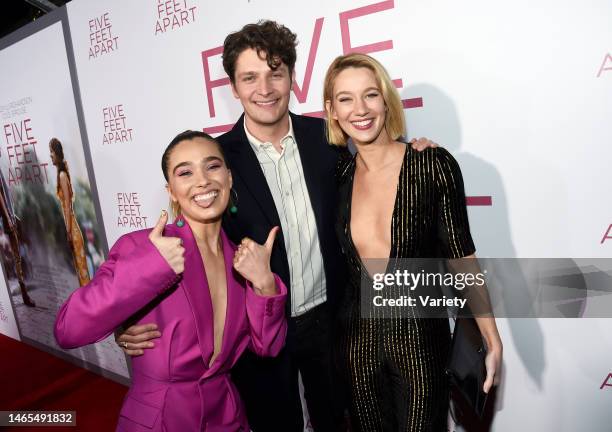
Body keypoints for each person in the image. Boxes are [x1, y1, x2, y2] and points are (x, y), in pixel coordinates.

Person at [116, 21, 436, 432]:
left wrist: (418, 153)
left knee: (338, 421)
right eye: (250, 77)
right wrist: (132, 319)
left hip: (334, 322)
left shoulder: (328, 139)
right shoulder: (217, 161)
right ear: (233, 87)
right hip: (257, 333)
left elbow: (376, 164)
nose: (264, 88)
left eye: (276, 73)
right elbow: (188, 247)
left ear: (291, 79)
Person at [54, 131, 288, 431]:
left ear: (229, 178)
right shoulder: (142, 248)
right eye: (185, 172)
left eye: (212, 166)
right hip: (161, 420)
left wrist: (265, 285)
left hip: (227, 418)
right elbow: (68, 330)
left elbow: (268, 347)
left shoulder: (243, 260)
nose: (202, 180)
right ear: (172, 191)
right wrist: (150, 269)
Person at [323, 53, 503, 431]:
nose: (360, 109)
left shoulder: (432, 164)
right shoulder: (338, 173)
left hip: (420, 343)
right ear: (332, 111)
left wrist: (491, 335)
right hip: (357, 345)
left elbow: (462, 258)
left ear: (386, 100)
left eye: (370, 95)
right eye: (345, 99)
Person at [49, 138, 90, 286]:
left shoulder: (62, 176)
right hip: (71, 229)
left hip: (72, 230)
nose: (50, 155)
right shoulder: (61, 174)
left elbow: (67, 205)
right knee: (80, 273)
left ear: (58, 153)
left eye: (52, 152)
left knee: (82, 273)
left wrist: (67, 232)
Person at [0, 170, 34, 307]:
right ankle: (25, 294)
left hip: (9, 216)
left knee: (17, 256)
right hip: (6, 218)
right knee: (16, 256)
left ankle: (25, 292)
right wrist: (8, 218)